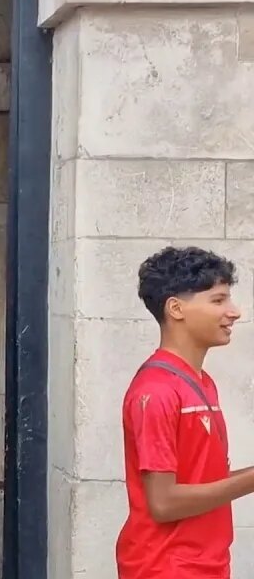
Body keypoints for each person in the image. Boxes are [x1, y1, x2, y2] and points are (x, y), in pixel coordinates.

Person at [116, 246, 252, 578]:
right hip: (166, 567)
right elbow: (164, 504)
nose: (233, 312)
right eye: (218, 301)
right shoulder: (156, 390)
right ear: (176, 309)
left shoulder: (202, 382)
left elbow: (204, 483)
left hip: (205, 565)